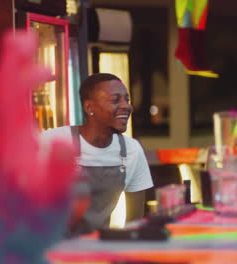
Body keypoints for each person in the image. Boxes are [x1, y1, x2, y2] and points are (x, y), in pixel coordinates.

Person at [40, 73, 153, 234]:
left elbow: (134, 223)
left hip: (95, 251)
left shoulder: (131, 150)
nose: (126, 106)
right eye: (115, 100)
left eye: (127, 100)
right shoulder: (53, 142)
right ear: (89, 108)